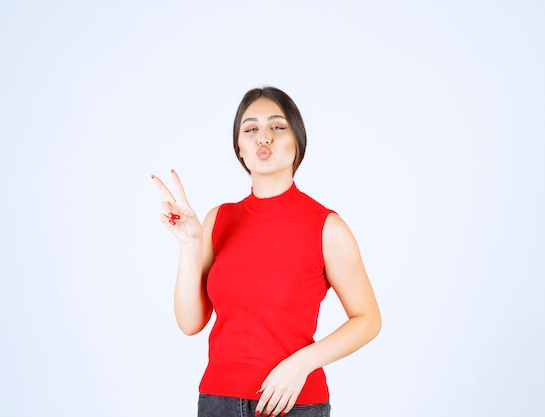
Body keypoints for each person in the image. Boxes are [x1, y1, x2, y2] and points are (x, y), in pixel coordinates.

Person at [152, 87, 381, 417]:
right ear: (239, 149)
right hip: (218, 402)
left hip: (295, 403)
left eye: (277, 126)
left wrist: (301, 364)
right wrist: (189, 243)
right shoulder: (219, 220)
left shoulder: (327, 227)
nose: (263, 138)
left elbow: (368, 319)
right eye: (250, 129)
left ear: (297, 142)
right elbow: (190, 322)